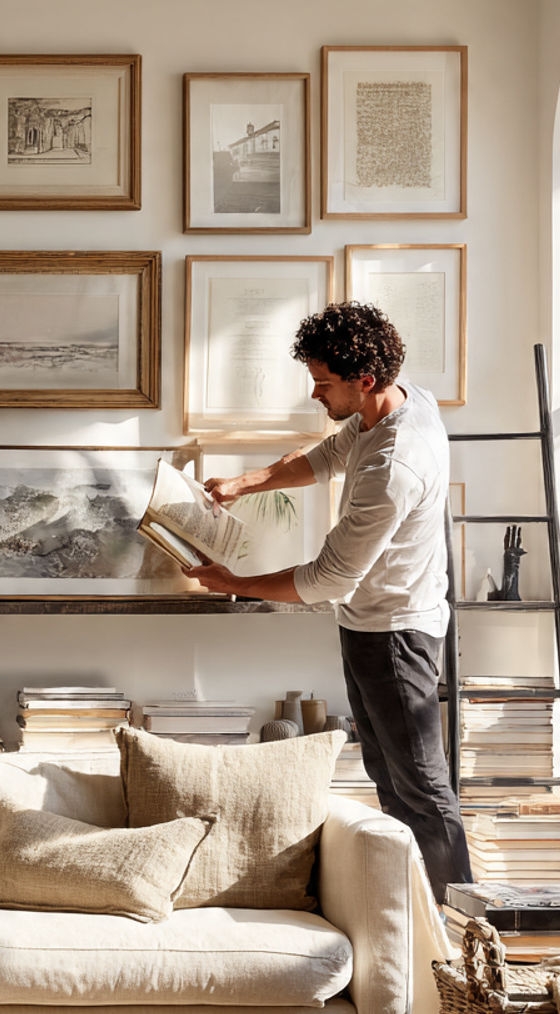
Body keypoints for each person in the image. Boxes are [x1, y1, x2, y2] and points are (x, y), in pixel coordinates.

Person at [184, 301, 472, 903]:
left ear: (363, 381)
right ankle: (408, 913)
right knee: (390, 783)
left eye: (323, 384)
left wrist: (233, 582)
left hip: (396, 633)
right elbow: (326, 456)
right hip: (371, 623)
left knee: (421, 788)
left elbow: (326, 579)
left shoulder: (396, 463)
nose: (315, 394)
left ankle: (460, 932)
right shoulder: (397, 401)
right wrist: (243, 483)